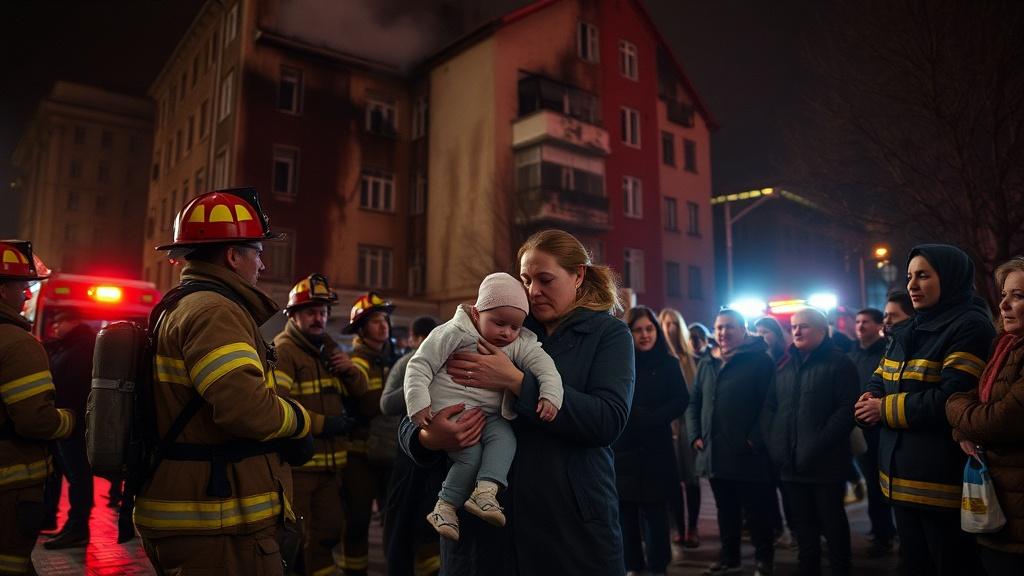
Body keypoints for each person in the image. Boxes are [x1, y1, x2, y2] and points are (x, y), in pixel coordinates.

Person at [399, 228, 634, 575]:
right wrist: (428, 437)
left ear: (578, 274)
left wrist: (516, 382)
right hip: (483, 534)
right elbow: (419, 393)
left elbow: (607, 420)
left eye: (545, 279)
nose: (533, 292)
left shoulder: (608, 335)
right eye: (526, 280)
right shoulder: (494, 323)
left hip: (568, 531)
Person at [138, 188, 313, 574]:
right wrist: (300, 422)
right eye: (258, 252)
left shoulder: (183, 304)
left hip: (202, 515)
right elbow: (245, 410)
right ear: (234, 256)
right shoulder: (215, 311)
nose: (262, 265)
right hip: (216, 523)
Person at [855, 244, 994, 575]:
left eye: (923, 276)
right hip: (899, 478)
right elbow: (880, 377)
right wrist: (868, 400)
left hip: (939, 482)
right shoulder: (909, 329)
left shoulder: (970, 325)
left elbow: (952, 397)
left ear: (949, 278)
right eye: (909, 277)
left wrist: (883, 409)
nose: (912, 286)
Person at [406, 272, 563, 540]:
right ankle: (445, 507)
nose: (507, 333)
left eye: (515, 327)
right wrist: (418, 404)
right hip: (451, 411)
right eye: (499, 323)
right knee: (470, 457)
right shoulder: (453, 332)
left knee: (505, 440)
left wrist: (550, 395)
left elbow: (546, 367)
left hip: (491, 415)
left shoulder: (519, 342)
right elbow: (420, 364)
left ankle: (486, 491)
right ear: (477, 314)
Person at [273, 273, 367, 575]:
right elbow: (277, 404)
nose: (319, 318)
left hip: (330, 468)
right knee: (298, 540)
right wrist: (324, 424)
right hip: (300, 468)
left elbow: (361, 392)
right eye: (311, 312)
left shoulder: (327, 350)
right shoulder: (285, 350)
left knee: (327, 533)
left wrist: (349, 370)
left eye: (323, 312)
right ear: (294, 315)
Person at [764, 308, 859, 576]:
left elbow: (846, 410)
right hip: (791, 467)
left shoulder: (840, 364)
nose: (797, 331)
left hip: (825, 466)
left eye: (804, 326)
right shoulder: (784, 365)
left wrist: (816, 444)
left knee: (833, 529)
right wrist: (775, 444)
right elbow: (771, 406)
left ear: (821, 331)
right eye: (793, 326)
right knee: (804, 535)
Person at [0, 240, 75, 575]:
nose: (28, 295)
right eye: (23, 287)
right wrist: (72, 422)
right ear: (3, 290)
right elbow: (36, 421)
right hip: (9, 488)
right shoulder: (18, 344)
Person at [946, 256, 1024, 574]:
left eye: (1018, 296)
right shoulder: (1005, 346)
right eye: (1004, 294)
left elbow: (997, 421)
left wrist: (961, 419)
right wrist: (964, 428)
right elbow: (971, 399)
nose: (1004, 304)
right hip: (999, 508)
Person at [687, 308, 777, 576]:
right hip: (714, 451)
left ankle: (764, 559)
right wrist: (695, 436)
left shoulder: (760, 361)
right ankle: (730, 557)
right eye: (719, 327)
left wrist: (754, 439)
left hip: (747, 453)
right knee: (725, 510)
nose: (723, 332)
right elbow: (694, 402)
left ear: (743, 330)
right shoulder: (707, 362)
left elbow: (769, 405)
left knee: (757, 511)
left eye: (729, 327)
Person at [615, 306, 688, 576]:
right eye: (638, 330)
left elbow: (681, 399)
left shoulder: (669, 363)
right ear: (629, 333)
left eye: (649, 329)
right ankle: (633, 566)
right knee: (626, 516)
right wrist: (634, 415)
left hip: (656, 448)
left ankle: (658, 567)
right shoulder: (620, 362)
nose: (645, 335)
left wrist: (655, 417)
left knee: (656, 514)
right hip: (624, 447)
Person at [340, 291, 401, 576]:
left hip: (389, 452)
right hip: (359, 454)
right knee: (357, 521)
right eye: (375, 321)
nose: (383, 326)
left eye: (384, 320)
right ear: (361, 328)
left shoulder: (393, 359)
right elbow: (368, 403)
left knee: (393, 518)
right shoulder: (355, 363)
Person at [381, 316, 443, 576]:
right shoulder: (408, 363)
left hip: (437, 455)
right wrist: (417, 388)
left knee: (424, 524)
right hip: (409, 453)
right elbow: (386, 405)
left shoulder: (447, 359)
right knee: (402, 523)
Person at [40, 308, 96, 550]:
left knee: (78, 475)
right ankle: (53, 519)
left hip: (75, 423)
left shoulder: (83, 346)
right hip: (62, 421)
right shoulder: (66, 345)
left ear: (74, 321)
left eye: (59, 322)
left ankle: (78, 527)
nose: (55, 327)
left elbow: (76, 383)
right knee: (61, 473)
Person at [847, 307, 896, 555]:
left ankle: (889, 532)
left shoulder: (886, 353)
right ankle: (880, 531)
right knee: (871, 484)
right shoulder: (852, 355)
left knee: (887, 484)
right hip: (861, 429)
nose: (860, 326)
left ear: (878, 325)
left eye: (865, 321)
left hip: (884, 426)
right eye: (857, 321)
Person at [658, 308, 702, 548]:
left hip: (688, 424)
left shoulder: (692, 360)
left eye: (674, 323)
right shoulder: (660, 360)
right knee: (672, 480)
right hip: (668, 423)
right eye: (665, 323)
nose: (669, 328)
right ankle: (678, 527)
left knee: (692, 479)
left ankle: (693, 527)